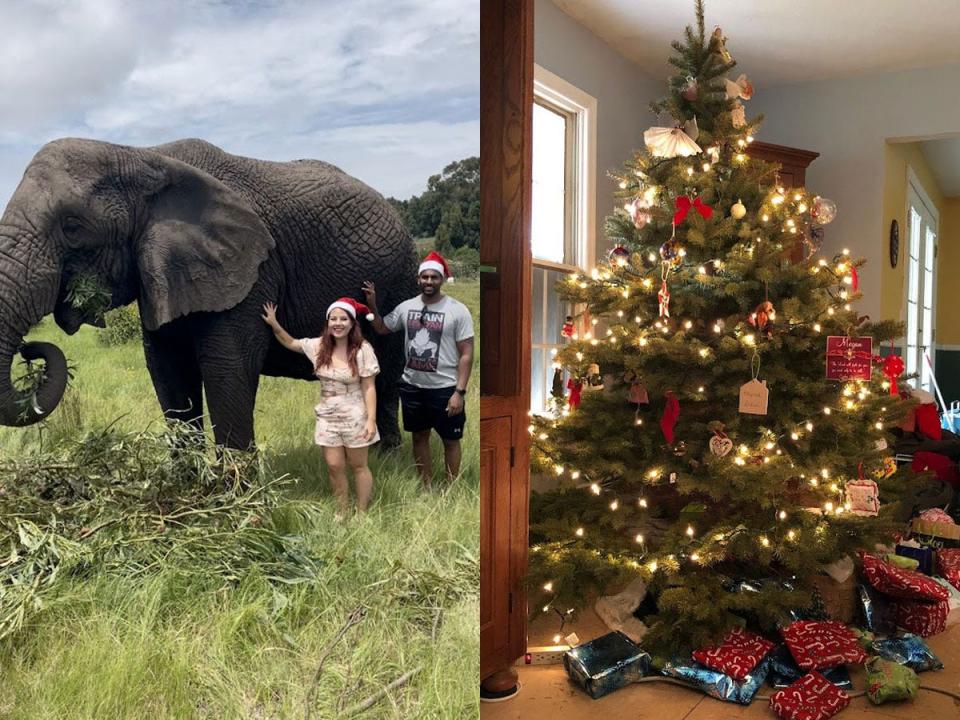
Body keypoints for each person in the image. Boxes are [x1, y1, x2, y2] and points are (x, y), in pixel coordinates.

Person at [363, 251, 474, 487]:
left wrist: (460, 392)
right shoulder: (406, 307)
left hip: (445, 388)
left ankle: (449, 488)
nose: (429, 282)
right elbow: (383, 328)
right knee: (419, 437)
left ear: (442, 279)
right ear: (418, 279)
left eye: (434, 277)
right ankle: (425, 485)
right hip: (413, 386)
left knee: (450, 440)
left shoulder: (458, 310)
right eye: (425, 277)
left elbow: (466, 353)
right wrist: (372, 305)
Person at [261, 297, 380, 515]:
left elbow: (369, 387)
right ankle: (341, 511)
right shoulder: (318, 346)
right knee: (334, 466)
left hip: (356, 414)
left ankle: (362, 512)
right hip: (327, 415)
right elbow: (291, 343)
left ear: (352, 323)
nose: (338, 323)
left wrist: (371, 420)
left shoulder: (363, 349)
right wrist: (274, 323)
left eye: (343, 319)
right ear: (327, 323)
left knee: (359, 465)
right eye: (333, 319)